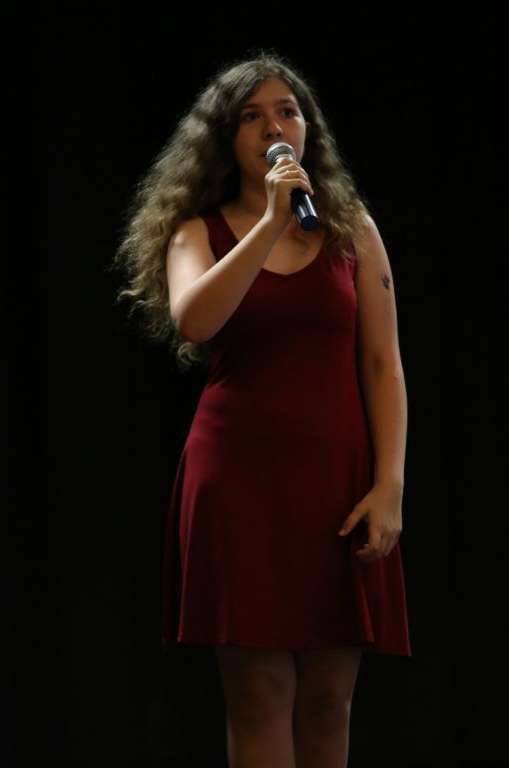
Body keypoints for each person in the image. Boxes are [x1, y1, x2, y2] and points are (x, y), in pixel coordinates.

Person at [113, 50, 411, 768]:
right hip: (238, 484)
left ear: (308, 130)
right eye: (251, 116)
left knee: (330, 699)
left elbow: (382, 363)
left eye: (287, 112)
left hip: (338, 483)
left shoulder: (350, 229)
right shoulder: (197, 231)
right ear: (225, 139)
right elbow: (195, 320)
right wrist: (271, 221)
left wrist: (390, 484)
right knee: (258, 694)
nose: (273, 127)